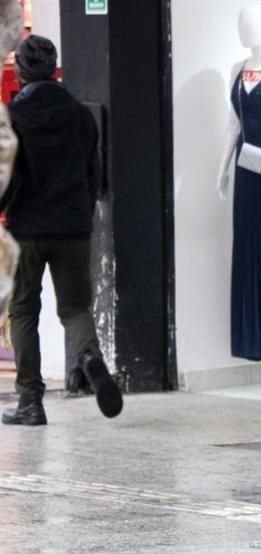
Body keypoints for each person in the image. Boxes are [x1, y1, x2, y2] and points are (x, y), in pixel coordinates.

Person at [1, 35, 122, 426]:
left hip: (27, 230)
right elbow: (94, 173)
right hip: (72, 228)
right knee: (74, 308)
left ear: (20, 70)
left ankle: (31, 402)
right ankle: (90, 358)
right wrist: (81, 214)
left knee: (23, 311)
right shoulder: (80, 115)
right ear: (54, 69)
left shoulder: (13, 117)